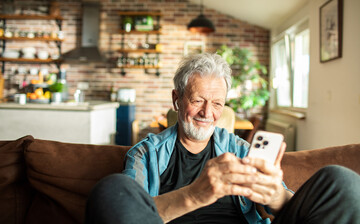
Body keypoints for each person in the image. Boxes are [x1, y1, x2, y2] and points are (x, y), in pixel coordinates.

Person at [85, 53, 360, 224]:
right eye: (198, 100)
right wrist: (196, 194)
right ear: (176, 100)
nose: (208, 112)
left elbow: (287, 206)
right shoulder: (145, 154)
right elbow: (133, 212)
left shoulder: (240, 149)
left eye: (218, 103)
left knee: (341, 181)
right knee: (111, 189)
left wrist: (274, 193)